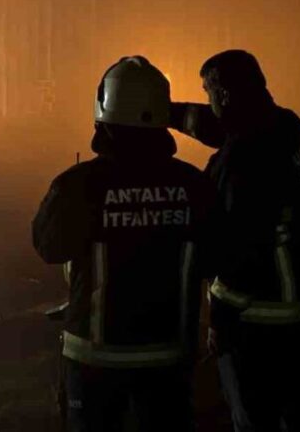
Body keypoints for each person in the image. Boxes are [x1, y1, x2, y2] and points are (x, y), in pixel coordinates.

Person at [33, 56, 216, 431]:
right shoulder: (195, 184)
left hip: (94, 357)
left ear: (104, 112)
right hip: (169, 356)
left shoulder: (79, 185)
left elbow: (48, 247)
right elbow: (217, 256)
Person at [170, 49, 300, 431]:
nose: (208, 98)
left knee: (255, 418)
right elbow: (220, 125)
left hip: (259, 320)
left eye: (209, 90)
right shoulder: (289, 126)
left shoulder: (241, 160)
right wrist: (168, 113)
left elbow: (231, 250)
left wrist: (219, 320)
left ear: (224, 94)